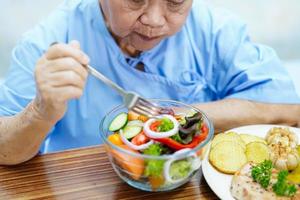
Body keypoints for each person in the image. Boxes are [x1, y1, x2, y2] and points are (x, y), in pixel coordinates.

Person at [0, 0, 299, 165]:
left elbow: (289, 112)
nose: (155, 19)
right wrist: (40, 112)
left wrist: (178, 116)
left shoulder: (216, 32)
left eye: (175, 2)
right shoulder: (49, 40)